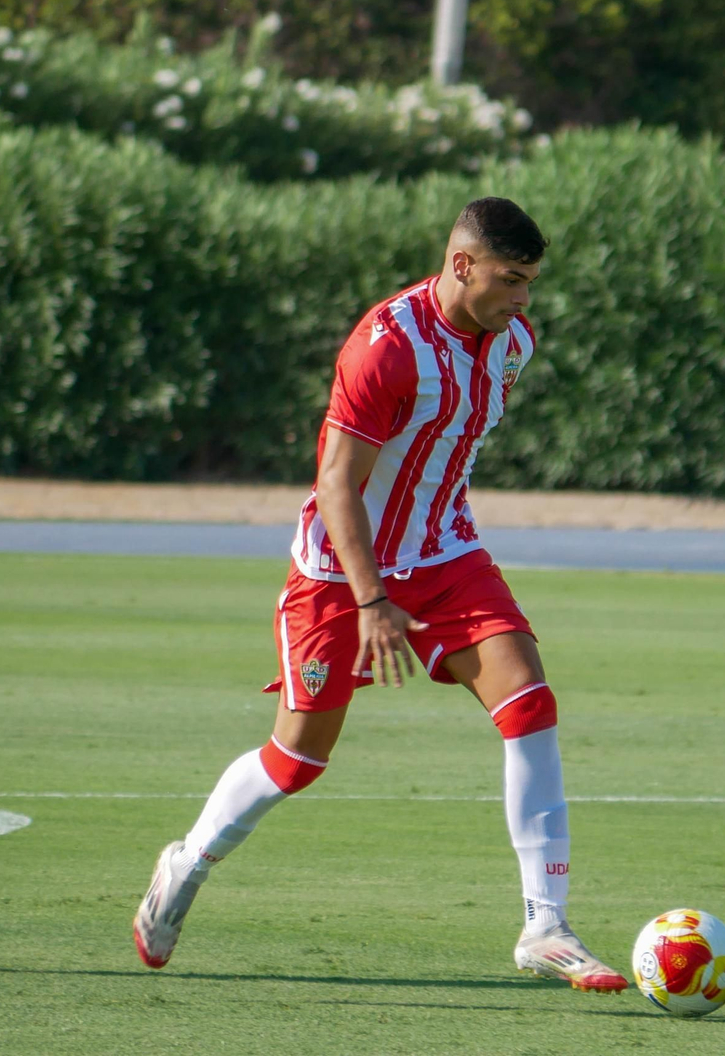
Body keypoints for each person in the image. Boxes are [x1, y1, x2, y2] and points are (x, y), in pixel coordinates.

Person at [133, 197, 628, 993]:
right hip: (339, 571)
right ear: (461, 264)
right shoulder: (386, 349)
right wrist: (370, 601)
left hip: (445, 555)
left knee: (529, 702)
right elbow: (337, 484)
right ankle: (185, 864)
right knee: (296, 759)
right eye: (511, 279)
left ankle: (546, 922)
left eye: (532, 282)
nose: (525, 300)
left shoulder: (514, 342)